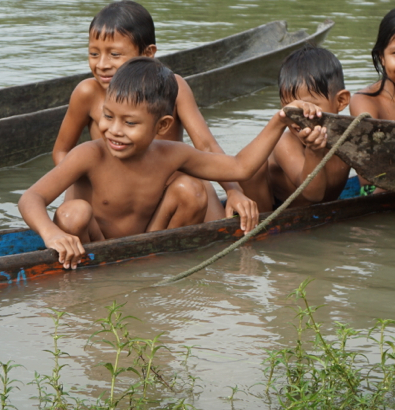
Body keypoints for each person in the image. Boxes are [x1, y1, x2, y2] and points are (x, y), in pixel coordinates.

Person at [21, 57, 320, 269]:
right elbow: (31, 198)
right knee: (73, 214)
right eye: (108, 116)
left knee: (191, 190)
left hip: (148, 242)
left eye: (130, 123)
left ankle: (157, 265)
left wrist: (280, 119)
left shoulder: (172, 154)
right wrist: (52, 233)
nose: (114, 130)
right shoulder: (90, 153)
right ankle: (88, 275)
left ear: (162, 126)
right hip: (92, 247)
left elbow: (240, 167)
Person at [52, 0, 260, 234]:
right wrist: (88, 181)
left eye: (115, 55)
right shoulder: (87, 93)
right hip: (115, 196)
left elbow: (205, 144)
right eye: (93, 53)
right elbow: (62, 151)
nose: (102, 65)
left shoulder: (174, 87)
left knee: (218, 232)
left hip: (169, 188)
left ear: (148, 53)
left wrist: (233, 191)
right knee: (74, 215)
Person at [239, 45, 355, 211]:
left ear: (341, 101)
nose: (297, 119)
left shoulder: (351, 134)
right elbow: (312, 194)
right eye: (290, 109)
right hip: (276, 210)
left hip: (324, 211)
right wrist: (313, 151)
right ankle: (263, 231)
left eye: (310, 108)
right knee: (254, 168)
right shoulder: (285, 143)